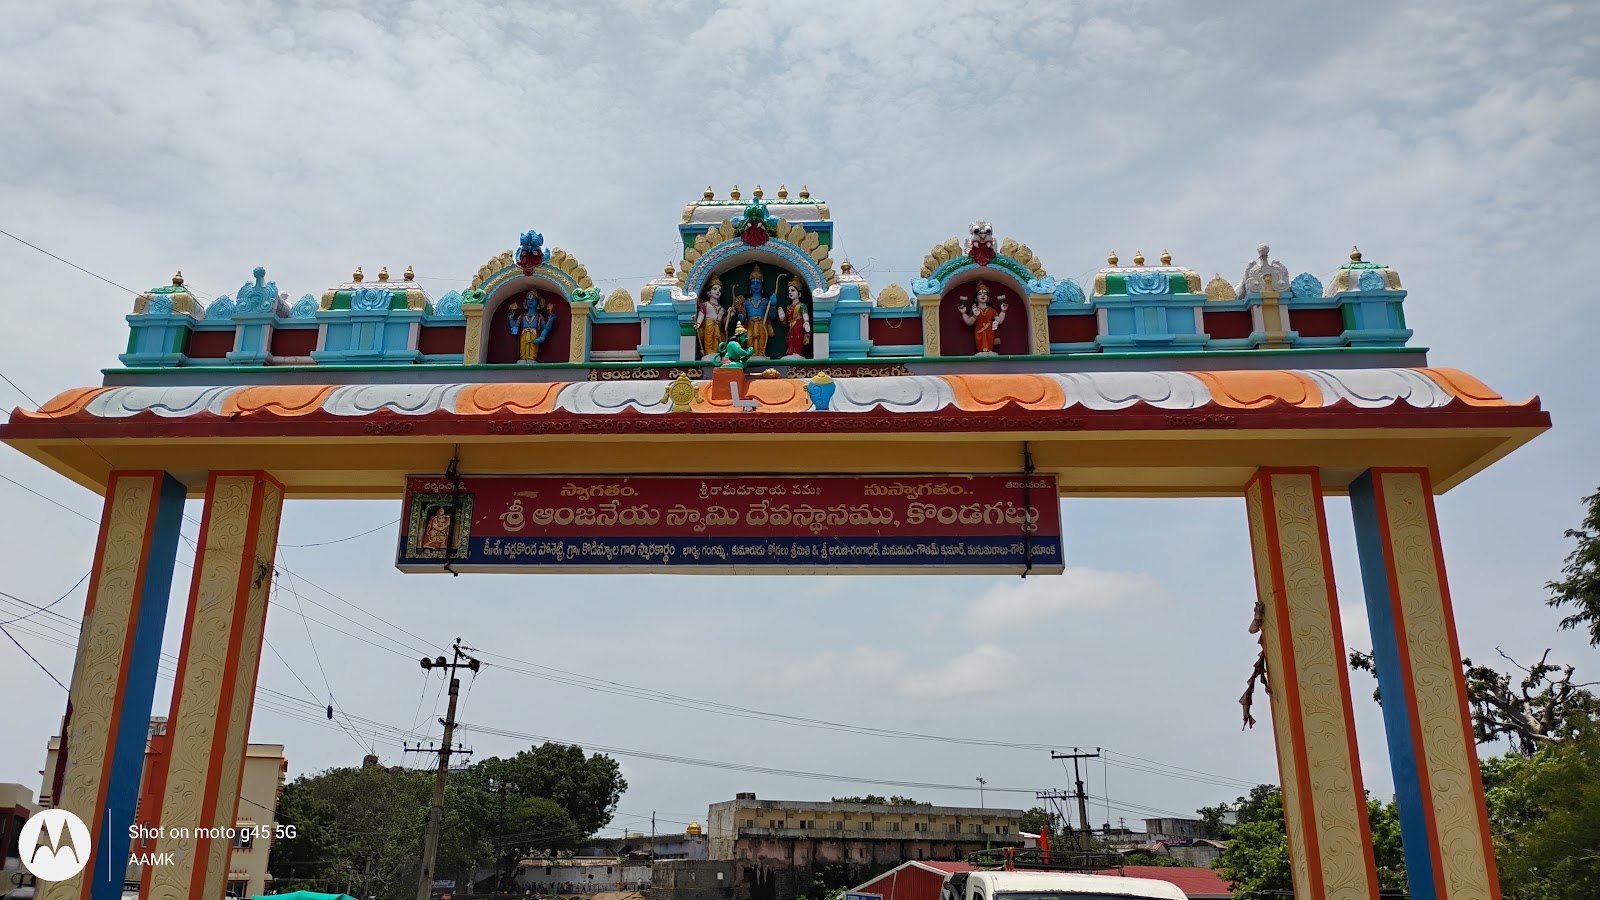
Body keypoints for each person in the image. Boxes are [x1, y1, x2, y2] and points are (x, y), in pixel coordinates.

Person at [960, 281, 1008, 355]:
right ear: (976, 298)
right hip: (979, 330)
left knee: (990, 342)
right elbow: (969, 322)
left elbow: (999, 320)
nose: (983, 295)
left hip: (990, 330)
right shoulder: (974, 310)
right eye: (980, 294)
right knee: (980, 343)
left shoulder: (992, 310)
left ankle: (989, 351)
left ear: (988, 298)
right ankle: (981, 352)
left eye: (985, 294)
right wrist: (964, 312)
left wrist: (1003, 310)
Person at [740, 265, 776, 359]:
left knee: (761, 340)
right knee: (750, 340)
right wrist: (740, 317)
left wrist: (773, 305)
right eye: (753, 283)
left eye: (758, 283)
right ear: (750, 287)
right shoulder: (746, 302)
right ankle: (751, 355)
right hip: (750, 324)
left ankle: (761, 354)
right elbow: (743, 317)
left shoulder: (765, 302)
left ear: (762, 286)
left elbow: (772, 316)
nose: (755, 285)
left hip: (762, 324)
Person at [694, 277, 726, 360]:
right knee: (709, 341)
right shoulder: (705, 305)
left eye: (719, 290)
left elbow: (724, 323)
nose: (717, 291)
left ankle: (718, 354)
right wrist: (698, 323)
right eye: (714, 289)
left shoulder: (722, 309)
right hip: (709, 325)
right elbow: (701, 315)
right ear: (709, 293)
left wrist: (730, 316)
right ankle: (708, 353)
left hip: (718, 327)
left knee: (718, 340)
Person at [779, 281, 810, 359]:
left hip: (798, 326)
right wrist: (782, 318)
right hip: (791, 327)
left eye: (793, 290)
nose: (790, 292)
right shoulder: (789, 307)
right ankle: (790, 352)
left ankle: (797, 353)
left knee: (797, 338)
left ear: (799, 293)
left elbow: (805, 315)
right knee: (790, 339)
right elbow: (785, 324)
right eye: (789, 291)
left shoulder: (802, 306)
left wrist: (806, 323)